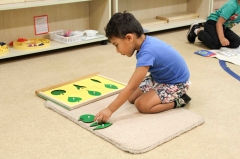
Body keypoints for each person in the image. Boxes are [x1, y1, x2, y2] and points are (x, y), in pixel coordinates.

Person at [94, 12, 191, 123]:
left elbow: (131, 87)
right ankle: (159, 94)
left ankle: (179, 101)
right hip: (159, 78)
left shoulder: (147, 52)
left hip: (176, 83)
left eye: (116, 45)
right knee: (131, 98)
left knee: (142, 105)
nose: (117, 50)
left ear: (129, 38)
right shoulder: (143, 40)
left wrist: (109, 109)